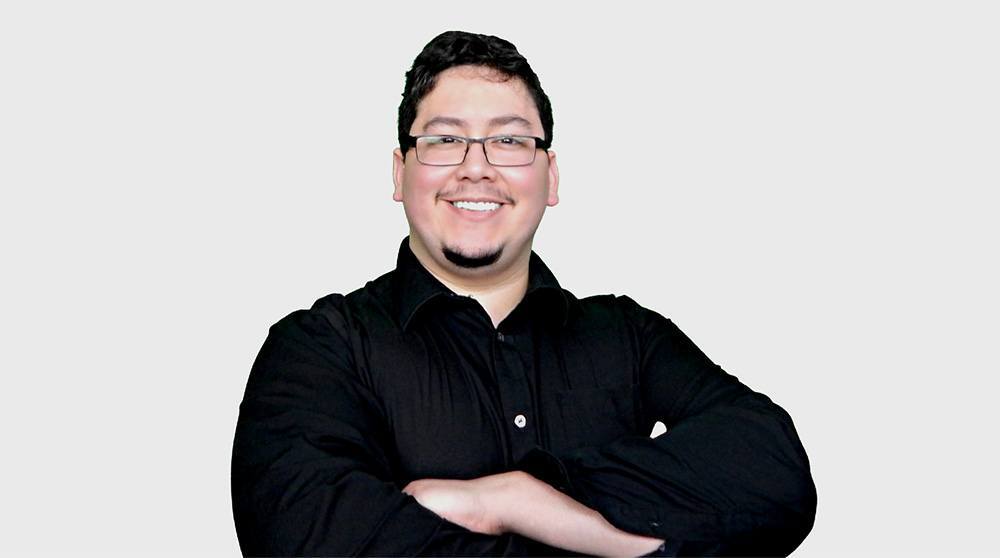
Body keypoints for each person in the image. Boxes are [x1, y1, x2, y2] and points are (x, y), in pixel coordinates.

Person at [231, 30, 816, 556]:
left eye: (509, 141)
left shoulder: (629, 336)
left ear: (549, 177)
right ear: (399, 172)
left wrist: (517, 500)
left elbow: (775, 474)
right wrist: (611, 539)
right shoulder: (319, 348)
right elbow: (310, 539)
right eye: (444, 139)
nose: (476, 168)